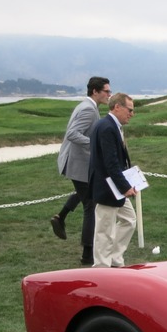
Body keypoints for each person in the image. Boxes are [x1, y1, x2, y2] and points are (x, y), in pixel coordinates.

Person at [53, 76, 111, 265]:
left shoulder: (88, 106)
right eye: (106, 91)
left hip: (80, 163)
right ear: (95, 91)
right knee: (91, 204)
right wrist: (94, 143)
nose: (109, 95)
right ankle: (88, 253)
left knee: (86, 192)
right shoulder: (88, 109)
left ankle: (61, 217)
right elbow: (72, 134)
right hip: (76, 163)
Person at [87, 92, 138, 268]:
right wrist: (125, 187)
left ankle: (115, 259)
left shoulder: (112, 126)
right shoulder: (107, 127)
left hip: (115, 187)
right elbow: (111, 163)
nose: (132, 114)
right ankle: (101, 267)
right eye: (129, 110)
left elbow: (118, 162)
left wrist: (131, 183)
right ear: (117, 107)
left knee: (130, 220)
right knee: (105, 230)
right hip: (107, 188)